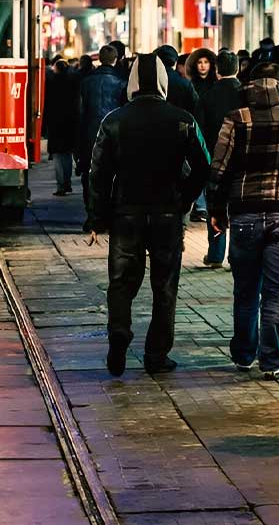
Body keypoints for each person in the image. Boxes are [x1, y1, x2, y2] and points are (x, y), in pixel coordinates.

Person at [88, 54, 211, 377]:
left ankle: (119, 331)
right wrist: (184, 198)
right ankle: (156, 354)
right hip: (167, 213)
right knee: (164, 286)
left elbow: (98, 173)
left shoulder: (114, 120)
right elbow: (203, 165)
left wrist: (97, 216)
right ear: (162, 82)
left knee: (121, 282)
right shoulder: (182, 119)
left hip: (125, 213)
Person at [207, 69, 279, 381]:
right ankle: (273, 360)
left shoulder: (237, 118)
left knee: (245, 290)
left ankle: (244, 354)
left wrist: (216, 208)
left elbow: (219, 167)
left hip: (245, 212)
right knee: (277, 292)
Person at [198, 51, 244, 267]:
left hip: (214, 157)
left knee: (215, 204)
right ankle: (237, 254)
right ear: (238, 69)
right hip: (241, 159)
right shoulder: (245, 94)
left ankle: (216, 254)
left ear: (217, 70)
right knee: (238, 208)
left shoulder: (207, 94)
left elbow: (201, 128)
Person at [75, 45, 126, 209]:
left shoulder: (86, 82)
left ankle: (91, 213)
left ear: (99, 59)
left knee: (89, 174)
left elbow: (80, 113)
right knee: (112, 173)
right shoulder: (121, 83)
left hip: (89, 133)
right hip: (114, 134)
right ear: (115, 59)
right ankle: (107, 213)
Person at [44, 58, 80, 196]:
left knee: (58, 156)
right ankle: (67, 182)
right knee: (67, 155)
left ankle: (61, 185)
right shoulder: (73, 83)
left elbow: (47, 105)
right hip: (70, 123)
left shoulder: (51, 84)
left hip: (56, 124)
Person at [154, 45, 200, 117]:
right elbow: (197, 109)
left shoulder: (149, 80)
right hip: (179, 124)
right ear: (175, 63)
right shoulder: (185, 83)